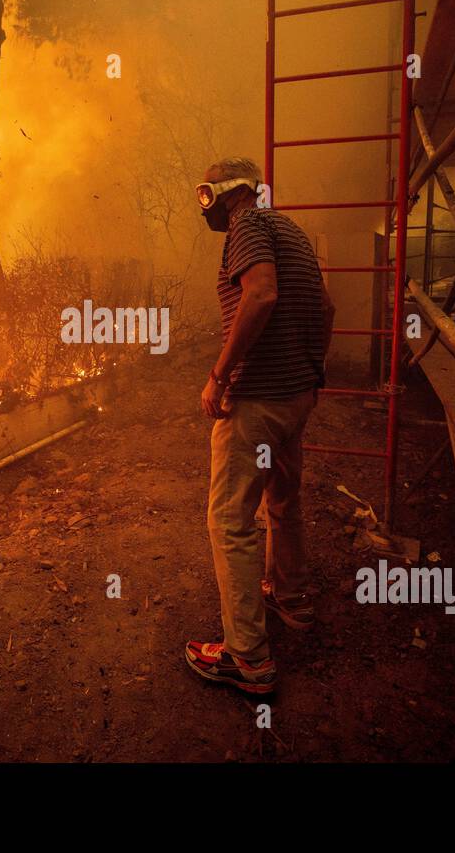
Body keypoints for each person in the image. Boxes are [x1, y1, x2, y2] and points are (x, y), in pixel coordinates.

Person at [184, 157, 334, 695]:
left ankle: (247, 656)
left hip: (257, 403)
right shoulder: (289, 229)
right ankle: (292, 598)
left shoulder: (247, 224)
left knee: (229, 520)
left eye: (205, 196)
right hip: (295, 398)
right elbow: (326, 304)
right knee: (282, 500)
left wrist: (219, 376)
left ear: (221, 194)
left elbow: (262, 293)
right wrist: (313, 370)